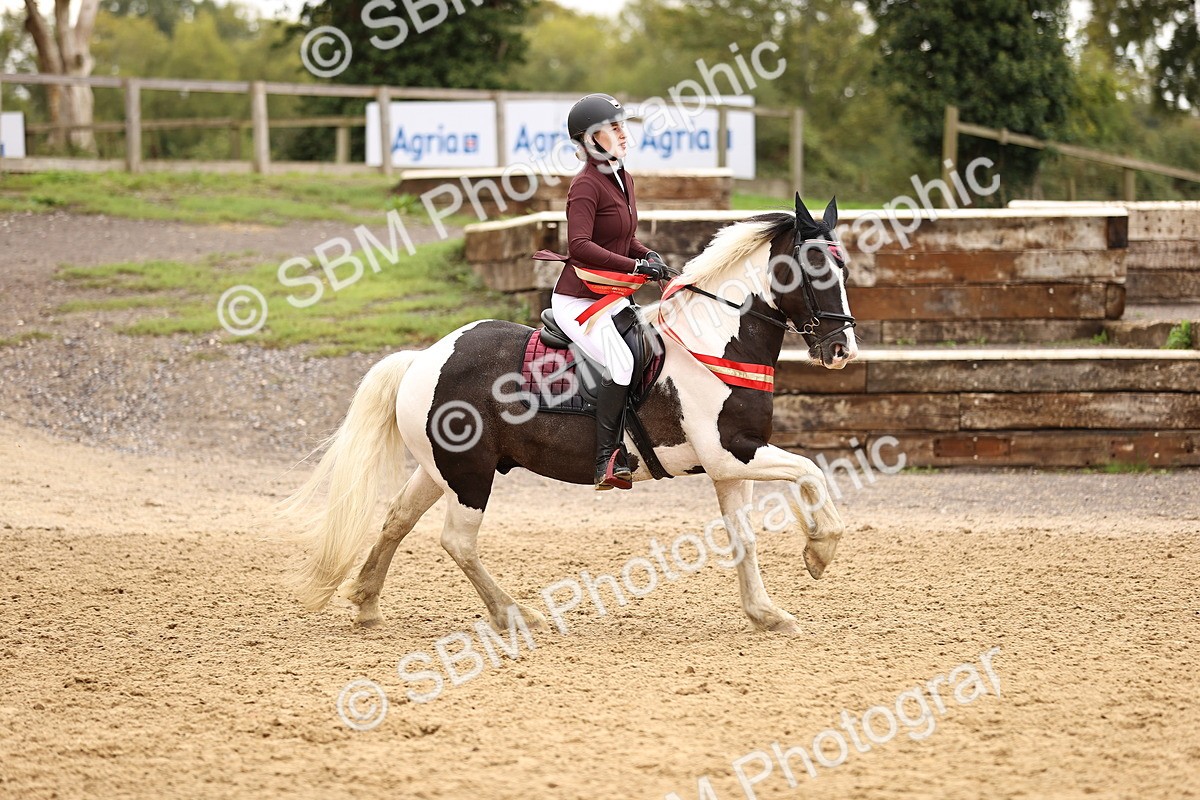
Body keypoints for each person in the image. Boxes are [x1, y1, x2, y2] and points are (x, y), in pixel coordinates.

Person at [552, 93, 669, 491]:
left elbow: (624, 238)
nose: (622, 132)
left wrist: (647, 254)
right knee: (620, 362)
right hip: (579, 300)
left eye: (622, 125)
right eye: (612, 127)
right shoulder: (585, 186)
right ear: (589, 140)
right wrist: (635, 267)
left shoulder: (623, 178)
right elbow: (579, 246)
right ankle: (605, 458)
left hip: (609, 294)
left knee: (651, 347)